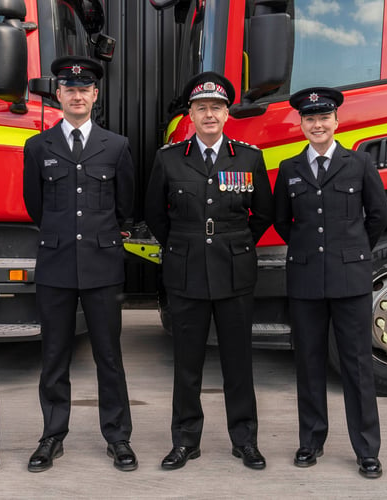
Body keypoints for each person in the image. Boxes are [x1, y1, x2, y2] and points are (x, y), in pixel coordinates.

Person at [145, 72, 274, 470]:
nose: (209, 115)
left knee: (238, 363)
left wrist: (234, 242)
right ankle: (185, 441)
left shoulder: (249, 157)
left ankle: (245, 440)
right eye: (201, 108)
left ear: (227, 113)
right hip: (186, 272)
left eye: (216, 108)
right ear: (191, 114)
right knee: (187, 364)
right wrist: (182, 244)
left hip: (234, 272)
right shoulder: (169, 158)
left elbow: (264, 213)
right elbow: (154, 214)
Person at [22, 56, 137, 472]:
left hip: (102, 265)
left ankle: (118, 438)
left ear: (95, 95)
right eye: (69, 89)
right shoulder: (38, 147)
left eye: (84, 89)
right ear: (58, 95)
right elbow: (36, 205)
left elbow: (125, 205)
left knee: (109, 356)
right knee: (54, 355)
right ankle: (52, 436)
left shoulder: (116, 145)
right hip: (55, 265)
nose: (76, 95)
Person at [273, 87, 387, 479]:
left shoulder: (358, 164)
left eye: (324, 118)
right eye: (310, 119)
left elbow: (377, 216)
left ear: (337, 122)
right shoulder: (290, 168)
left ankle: (367, 449)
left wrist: (350, 252)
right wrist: (310, 250)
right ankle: (311, 441)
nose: (317, 125)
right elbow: (282, 221)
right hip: (305, 279)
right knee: (308, 364)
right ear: (301, 124)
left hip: (350, 279)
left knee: (357, 366)